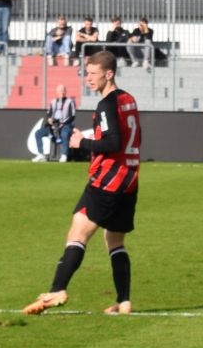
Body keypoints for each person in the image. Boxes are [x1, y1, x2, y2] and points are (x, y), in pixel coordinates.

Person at [25, 48, 141, 317]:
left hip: (108, 180)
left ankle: (57, 289)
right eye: (86, 73)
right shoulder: (128, 99)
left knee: (77, 234)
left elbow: (113, 142)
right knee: (114, 240)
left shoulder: (107, 104)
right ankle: (124, 301)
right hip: (129, 179)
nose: (88, 78)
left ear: (108, 74)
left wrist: (82, 142)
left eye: (93, 73)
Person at [46, 84, 78, 162]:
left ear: (66, 92)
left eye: (64, 90)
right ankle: (41, 154)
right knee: (38, 133)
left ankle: (64, 155)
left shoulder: (70, 101)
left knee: (64, 133)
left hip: (67, 124)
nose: (62, 92)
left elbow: (72, 116)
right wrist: (49, 119)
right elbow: (49, 114)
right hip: (54, 124)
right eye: (60, 91)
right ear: (57, 92)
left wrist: (62, 123)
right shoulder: (53, 102)